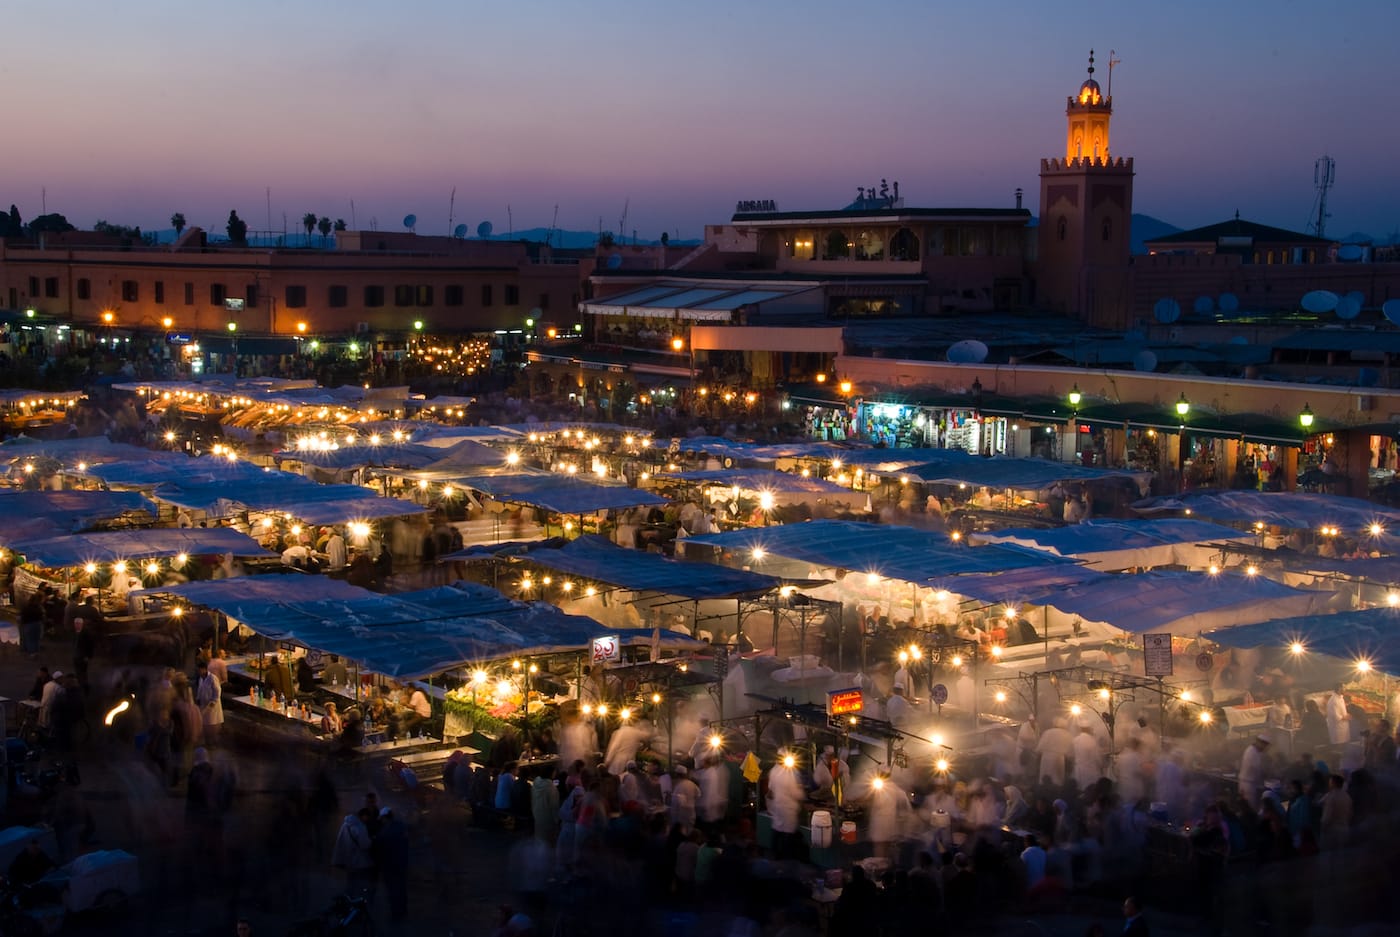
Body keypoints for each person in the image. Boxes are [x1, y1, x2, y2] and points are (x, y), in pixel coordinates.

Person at [374, 806, 409, 923]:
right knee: (401, 887)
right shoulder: (402, 826)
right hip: (402, 863)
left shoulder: (384, 833)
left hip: (389, 866)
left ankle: (396, 913)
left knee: (392, 890)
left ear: (384, 818)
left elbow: (378, 849)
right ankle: (403, 910)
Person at [195, 659, 224, 746]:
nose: (198, 672)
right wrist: (198, 699)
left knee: (212, 726)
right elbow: (200, 690)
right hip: (204, 705)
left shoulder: (212, 678)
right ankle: (208, 742)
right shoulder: (201, 678)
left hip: (212, 707)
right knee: (205, 725)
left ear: (204, 669)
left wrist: (212, 703)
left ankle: (213, 743)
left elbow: (217, 692)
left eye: (199, 670)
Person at [1238, 734, 1270, 809]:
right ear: (1260, 743)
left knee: (1247, 807)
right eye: (1264, 745)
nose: (1265, 748)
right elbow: (1256, 769)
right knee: (1250, 808)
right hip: (1248, 785)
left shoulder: (1255, 751)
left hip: (1248, 783)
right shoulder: (1251, 752)